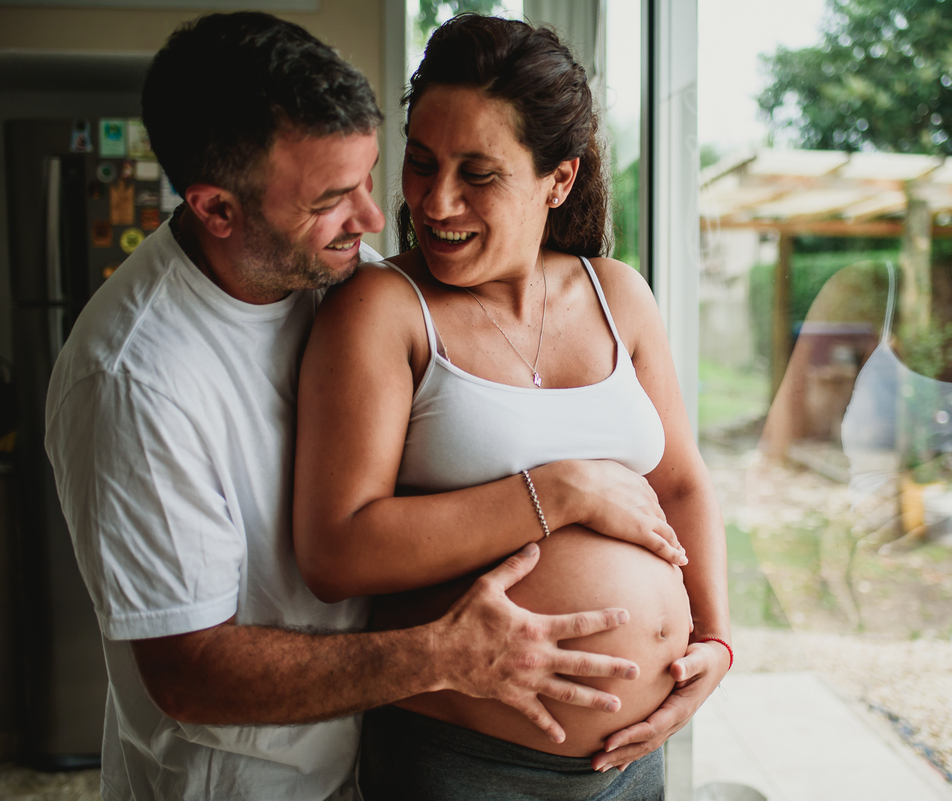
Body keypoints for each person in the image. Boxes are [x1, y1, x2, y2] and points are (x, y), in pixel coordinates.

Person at [44, 12, 667, 800]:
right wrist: (446, 653)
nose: (377, 221)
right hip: (245, 785)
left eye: (371, 176)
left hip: (366, 761)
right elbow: (189, 674)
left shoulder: (336, 271)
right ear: (217, 210)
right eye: (332, 198)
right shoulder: (135, 380)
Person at [292, 15, 731, 799]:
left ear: (557, 180)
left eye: (478, 173)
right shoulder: (381, 308)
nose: (436, 200)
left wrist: (717, 642)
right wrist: (557, 491)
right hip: (467, 760)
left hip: (635, 759)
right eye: (421, 164)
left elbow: (684, 486)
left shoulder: (618, 293)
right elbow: (336, 549)